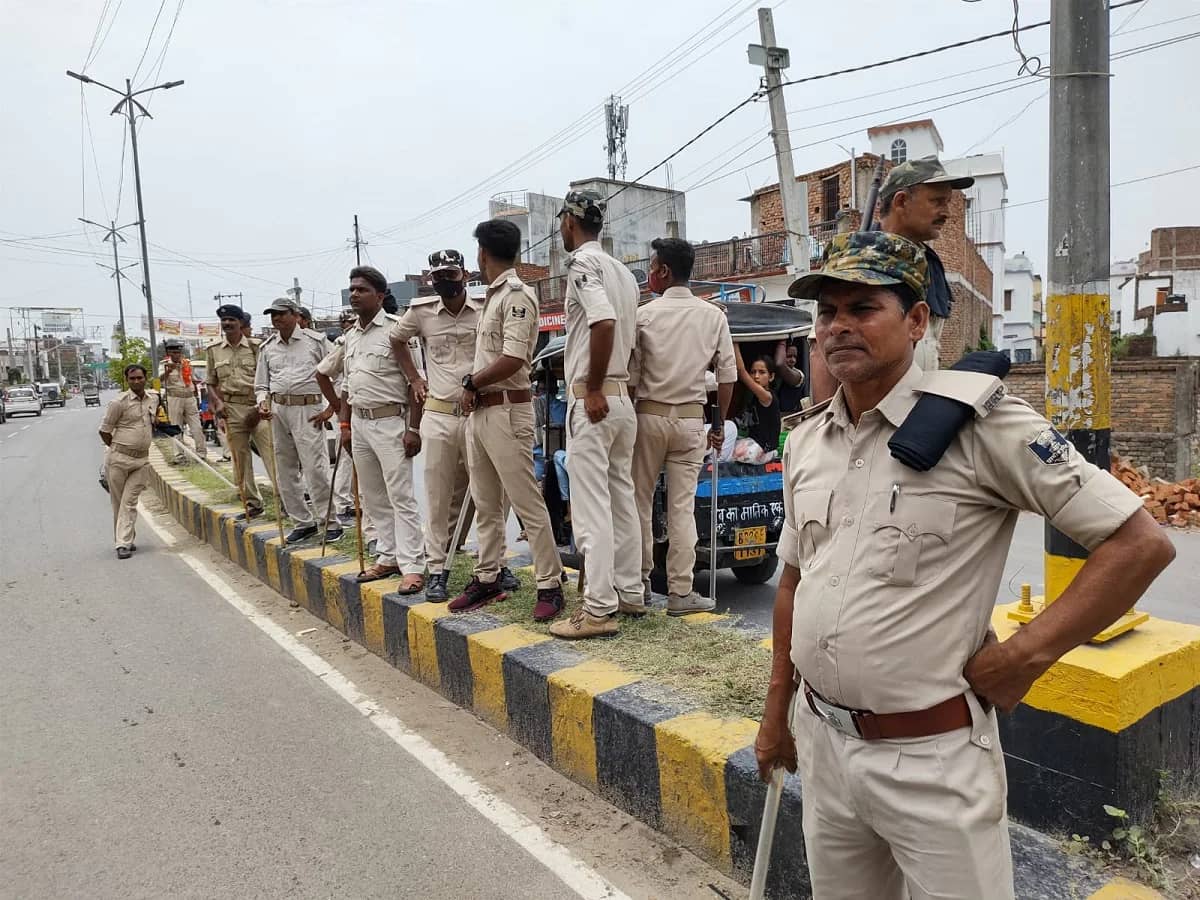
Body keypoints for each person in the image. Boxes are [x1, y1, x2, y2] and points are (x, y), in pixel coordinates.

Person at [755, 231, 1175, 900]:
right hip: (824, 742)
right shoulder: (808, 440)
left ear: (917, 320)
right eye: (827, 313)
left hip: (932, 762)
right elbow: (795, 582)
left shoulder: (981, 427)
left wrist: (1022, 659)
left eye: (863, 308)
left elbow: (1140, 544)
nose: (838, 328)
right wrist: (776, 712)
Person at [451, 219, 564, 619]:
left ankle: (550, 584)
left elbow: (514, 358)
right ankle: (488, 576)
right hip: (483, 410)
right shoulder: (495, 297)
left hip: (506, 409)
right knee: (486, 503)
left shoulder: (516, 295)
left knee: (525, 502)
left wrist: (470, 381)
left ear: (482, 253)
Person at [547, 190, 640, 641]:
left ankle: (598, 609)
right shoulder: (623, 270)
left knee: (591, 506)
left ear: (568, 221)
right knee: (621, 497)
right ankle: (629, 592)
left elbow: (603, 323)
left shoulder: (582, 265)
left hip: (596, 396)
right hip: (623, 399)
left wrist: (596, 387)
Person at [629, 237, 736, 616]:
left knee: (639, 504)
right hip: (692, 420)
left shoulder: (643, 315)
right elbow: (727, 377)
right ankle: (680, 593)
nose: (649, 275)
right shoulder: (714, 316)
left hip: (647, 416)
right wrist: (718, 422)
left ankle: (638, 586)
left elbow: (631, 374)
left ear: (664, 271)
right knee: (681, 508)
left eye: (652, 267)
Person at [316, 267, 425, 590]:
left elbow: (415, 383)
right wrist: (344, 423)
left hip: (391, 421)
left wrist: (414, 429)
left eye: (361, 289)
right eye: (351, 289)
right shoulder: (349, 337)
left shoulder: (397, 331)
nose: (354, 295)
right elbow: (345, 385)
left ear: (379, 296)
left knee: (401, 496)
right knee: (373, 496)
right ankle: (387, 556)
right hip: (360, 424)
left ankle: (412, 565)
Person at [388, 250, 485, 602]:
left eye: (452, 273)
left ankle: (494, 568)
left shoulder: (485, 307)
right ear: (431, 278)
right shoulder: (421, 312)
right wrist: (414, 377)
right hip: (441, 414)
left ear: (466, 274)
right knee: (438, 496)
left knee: (488, 495)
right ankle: (436, 570)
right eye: (439, 274)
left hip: (480, 413)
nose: (446, 279)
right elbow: (396, 340)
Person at [254, 297, 341, 544]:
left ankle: (330, 521)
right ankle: (302, 522)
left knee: (315, 469)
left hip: (308, 409)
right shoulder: (268, 347)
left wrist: (331, 408)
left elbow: (340, 373)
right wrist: (262, 400)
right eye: (273, 314)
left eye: (281, 313)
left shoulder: (316, 341)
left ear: (294, 314)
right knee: (284, 470)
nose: (276, 318)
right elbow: (261, 384)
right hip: (278, 409)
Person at [876, 155, 974, 372]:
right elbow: (822, 353)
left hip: (923, 399)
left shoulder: (930, 265)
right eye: (937, 201)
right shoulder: (855, 261)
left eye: (947, 202)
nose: (947, 213)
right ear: (901, 201)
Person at [205, 304, 277, 518]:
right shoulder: (214, 350)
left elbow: (269, 378)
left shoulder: (257, 347)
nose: (227, 324)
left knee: (271, 453)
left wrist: (263, 405)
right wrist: (217, 403)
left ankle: (285, 500)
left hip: (258, 405)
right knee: (239, 458)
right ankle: (253, 503)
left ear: (240, 323)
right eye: (224, 321)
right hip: (231, 408)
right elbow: (210, 382)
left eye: (231, 321)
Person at [98, 364, 158, 559]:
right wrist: (118, 449)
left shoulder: (153, 398)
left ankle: (122, 543)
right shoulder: (118, 403)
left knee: (129, 501)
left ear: (145, 378)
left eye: (140, 378)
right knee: (118, 503)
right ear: (127, 380)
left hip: (141, 461)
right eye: (132, 379)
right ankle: (126, 538)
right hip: (118, 459)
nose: (136, 381)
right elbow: (104, 431)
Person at [160, 338, 206, 463]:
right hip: (174, 397)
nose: (176, 355)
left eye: (178, 352)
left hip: (189, 397)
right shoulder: (164, 364)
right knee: (176, 427)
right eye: (174, 352)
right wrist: (169, 370)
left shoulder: (187, 363)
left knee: (196, 426)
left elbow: (192, 379)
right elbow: (159, 380)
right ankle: (179, 455)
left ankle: (201, 453)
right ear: (169, 353)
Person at [734, 350, 781, 462]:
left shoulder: (767, 397)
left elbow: (741, 372)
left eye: (762, 372)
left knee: (741, 454)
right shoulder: (753, 398)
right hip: (752, 441)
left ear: (771, 376)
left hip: (765, 448)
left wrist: (733, 341)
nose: (756, 376)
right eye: (753, 372)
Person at [774, 341, 806, 414]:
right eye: (789, 356)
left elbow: (780, 364)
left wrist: (782, 341)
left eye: (795, 357)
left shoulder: (799, 375)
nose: (793, 360)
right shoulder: (770, 373)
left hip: (788, 421)